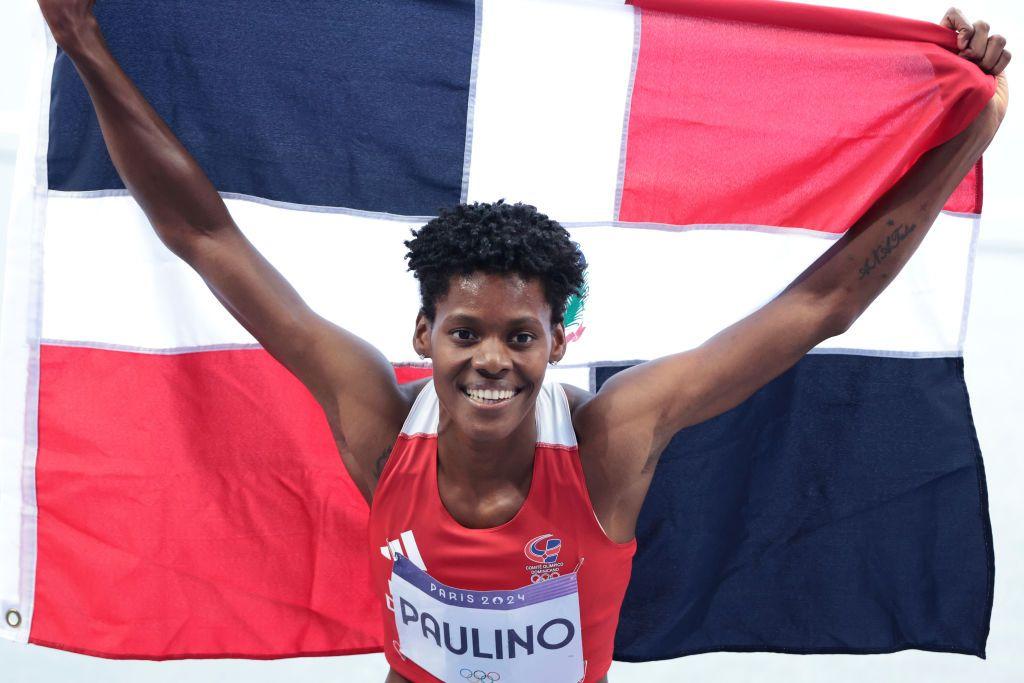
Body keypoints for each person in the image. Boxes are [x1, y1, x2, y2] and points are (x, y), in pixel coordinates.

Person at [34, 1, 1009, 681]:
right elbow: (206, 237)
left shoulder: (609, 444)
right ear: (425, 332)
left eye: (518, 333)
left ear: (557, 339)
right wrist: (82, 40)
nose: (489, 358)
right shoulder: (376, 413)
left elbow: (820, 305)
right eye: (464, 332)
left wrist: (966, 130)